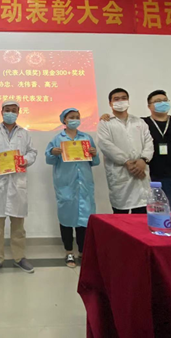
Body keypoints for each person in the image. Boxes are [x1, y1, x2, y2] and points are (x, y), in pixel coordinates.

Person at [0, 100, 38, 275]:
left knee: (18, 225)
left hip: (17, 183)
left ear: (18, 113)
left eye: (13, 110)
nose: (10, 113)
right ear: (1, 112)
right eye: (7, 110)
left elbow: (32, 152)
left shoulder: (24, 133)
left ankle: (19, 257)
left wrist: (26, 160)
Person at [45, 108, 99, 268]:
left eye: (77, 117)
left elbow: (95, 162)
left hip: (84, 184)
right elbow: (49, 160)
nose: (74, 120)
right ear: (64, 120)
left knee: (84, 220)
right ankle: (69, 251)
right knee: (66, 219)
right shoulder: (57, 139)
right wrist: (53, 152)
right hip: (66, 185)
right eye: (71, 117)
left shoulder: (86, 138)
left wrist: (94, 153)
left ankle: (83, 251)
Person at [96, 88, 154, 214]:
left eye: (124, 98)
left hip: (141, 171)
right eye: (116, 99)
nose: (120, 101)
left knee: (142, 214)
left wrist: (143, 160)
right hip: (120, 173)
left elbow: (149, 142)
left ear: (128, 100)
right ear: (110, 103)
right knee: (121, 215)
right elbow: (105, 145)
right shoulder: (105, 123)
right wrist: (126, 161)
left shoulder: (139, 122)